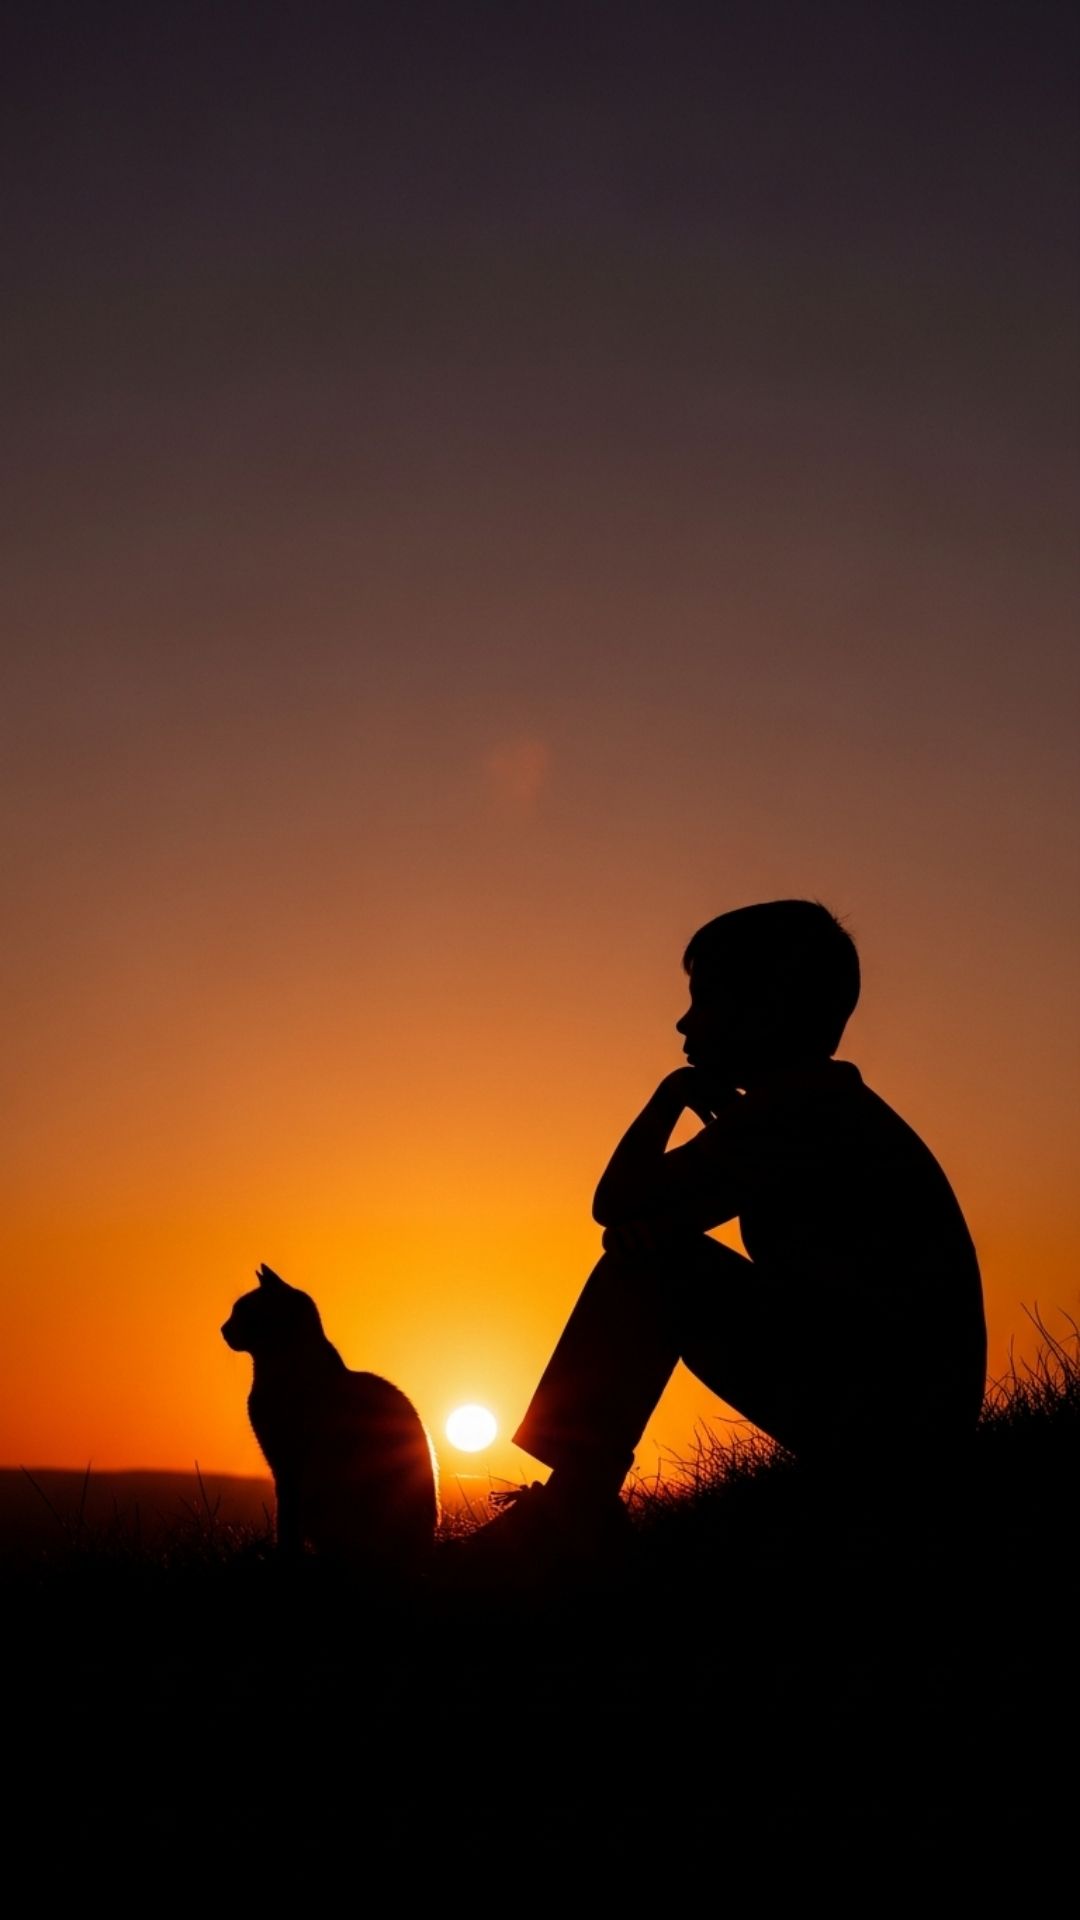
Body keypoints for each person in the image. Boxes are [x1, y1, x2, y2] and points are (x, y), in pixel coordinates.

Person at [475, 899, 986, 1562]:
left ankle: (576, 1506)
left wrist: (668, 1098)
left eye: (705, 998)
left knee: (647, 1270)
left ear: (768, 1007)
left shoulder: (800, 1112)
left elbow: (617, 1203)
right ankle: (578, 1501)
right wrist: (651, 1236)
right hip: (906, 1415)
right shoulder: (816, 1108)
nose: (684, 1021)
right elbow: (641, 1220)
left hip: (892, 1423)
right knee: (648, 1261)